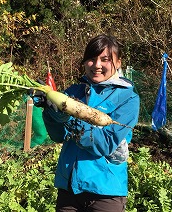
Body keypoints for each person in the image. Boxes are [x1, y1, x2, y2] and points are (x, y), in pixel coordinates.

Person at [31, 34, 140, 212]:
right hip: (69, 188)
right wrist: (50, 112)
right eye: (91, 59)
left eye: (105, 60)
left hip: (106, 191)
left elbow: (106, 143)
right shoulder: (74, 91)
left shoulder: (128, 98)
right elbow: (58, 136)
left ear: (118, 63)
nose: (97, 65)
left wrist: (71, 118)